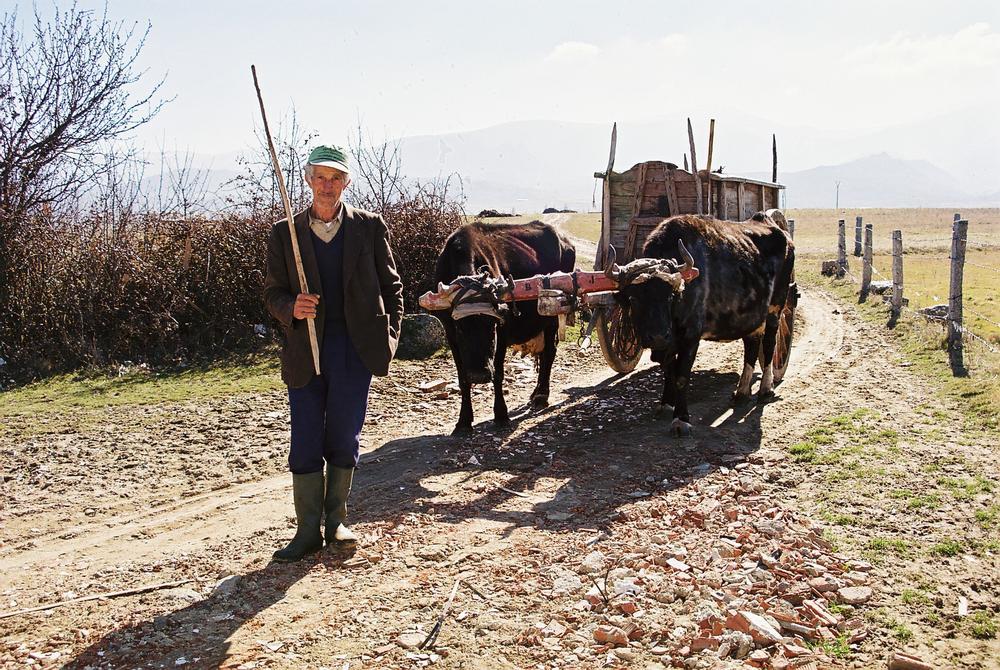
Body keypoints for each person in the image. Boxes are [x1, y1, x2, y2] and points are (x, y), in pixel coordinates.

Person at [263, 144, 403, 562]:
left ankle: (335, 522)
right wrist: (292, 308)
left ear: (346, 182)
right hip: (305, 350)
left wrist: (388, 339)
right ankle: (306, 531)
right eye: (320, 176)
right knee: (306, 438)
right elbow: (272, 293)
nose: (327, 185)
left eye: (336, 177)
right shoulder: (283, 233)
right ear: (307, 179)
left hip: (353, 351)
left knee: (344, 435)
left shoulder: (369, 228)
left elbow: (393, 289)